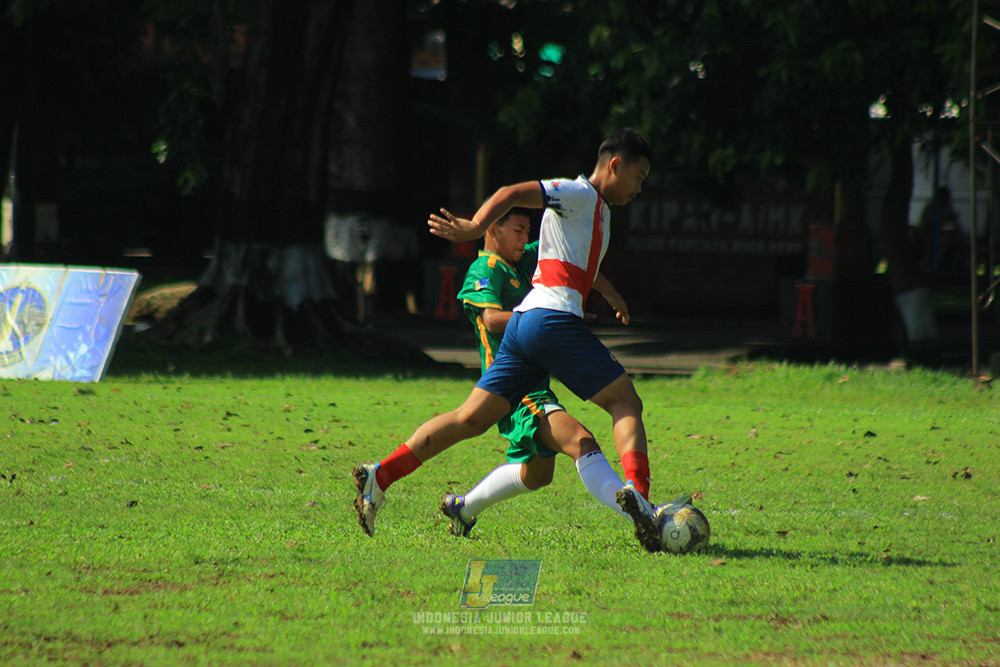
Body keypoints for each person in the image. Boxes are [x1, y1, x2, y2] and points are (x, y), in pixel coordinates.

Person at [353, 128, 664, 551]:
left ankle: (382, 474)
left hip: (528, 326)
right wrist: (474, 227)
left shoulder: (598, 212)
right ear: (615, 165)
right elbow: (512, 191)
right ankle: (640, 499)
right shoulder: (577, 193)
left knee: (471, 420)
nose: (639, 188)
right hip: (549, 320)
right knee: (626, 402)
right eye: (639, 177)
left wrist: (610, 295)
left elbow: (577, 264)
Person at [440, 206, 633, 538]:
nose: (525, 239)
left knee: (537, 475)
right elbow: (490, 319)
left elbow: (573, 264)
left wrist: (611, 294)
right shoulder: (484, 270)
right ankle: (643, 516)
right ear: (492, 230)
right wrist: (548, 318)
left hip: (532, 382)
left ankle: (463, 508)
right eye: (517, 230)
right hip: (514, 388)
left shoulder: (525, 259)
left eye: (528, 232)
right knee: (581, 441)